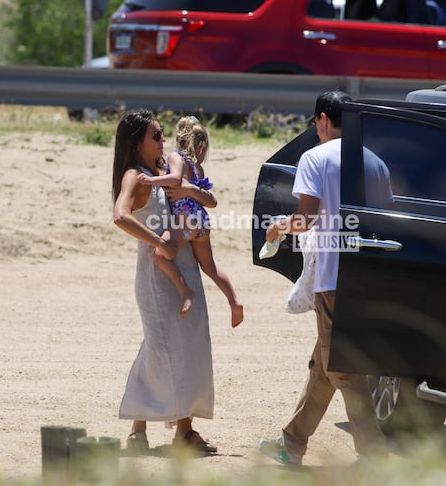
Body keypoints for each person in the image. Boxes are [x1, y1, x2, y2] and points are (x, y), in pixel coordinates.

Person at [258, 90, 392, 466]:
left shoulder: (314, 157)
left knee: (342, 369)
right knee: (325, 365)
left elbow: (307, 218)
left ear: (321, 120)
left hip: (334, 276)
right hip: (368, 275)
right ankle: (292, 443)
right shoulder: (376, 162)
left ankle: (374, 455)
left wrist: (280, 227)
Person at [111, 109, 219, 454]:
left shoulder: (164, 172)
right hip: (157, 276)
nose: (163, 140)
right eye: (155, 136)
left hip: (184, 269)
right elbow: (120, 216)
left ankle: (172, 430)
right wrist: (158, 242)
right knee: (162, 347)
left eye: (161, 134)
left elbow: (203, 202)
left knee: (188, 346)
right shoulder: (134, 176)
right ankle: (156, 430)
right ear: (136, 143)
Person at [136, 120, 244, 328]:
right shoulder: (198, 168)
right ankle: (234, 301)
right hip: (201, 222)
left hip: (186, 219)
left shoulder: (175, 157)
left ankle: (184, 290)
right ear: (201, 147)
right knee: (210, 267)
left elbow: (175, 178)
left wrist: (150, 181)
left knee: (159, 255)